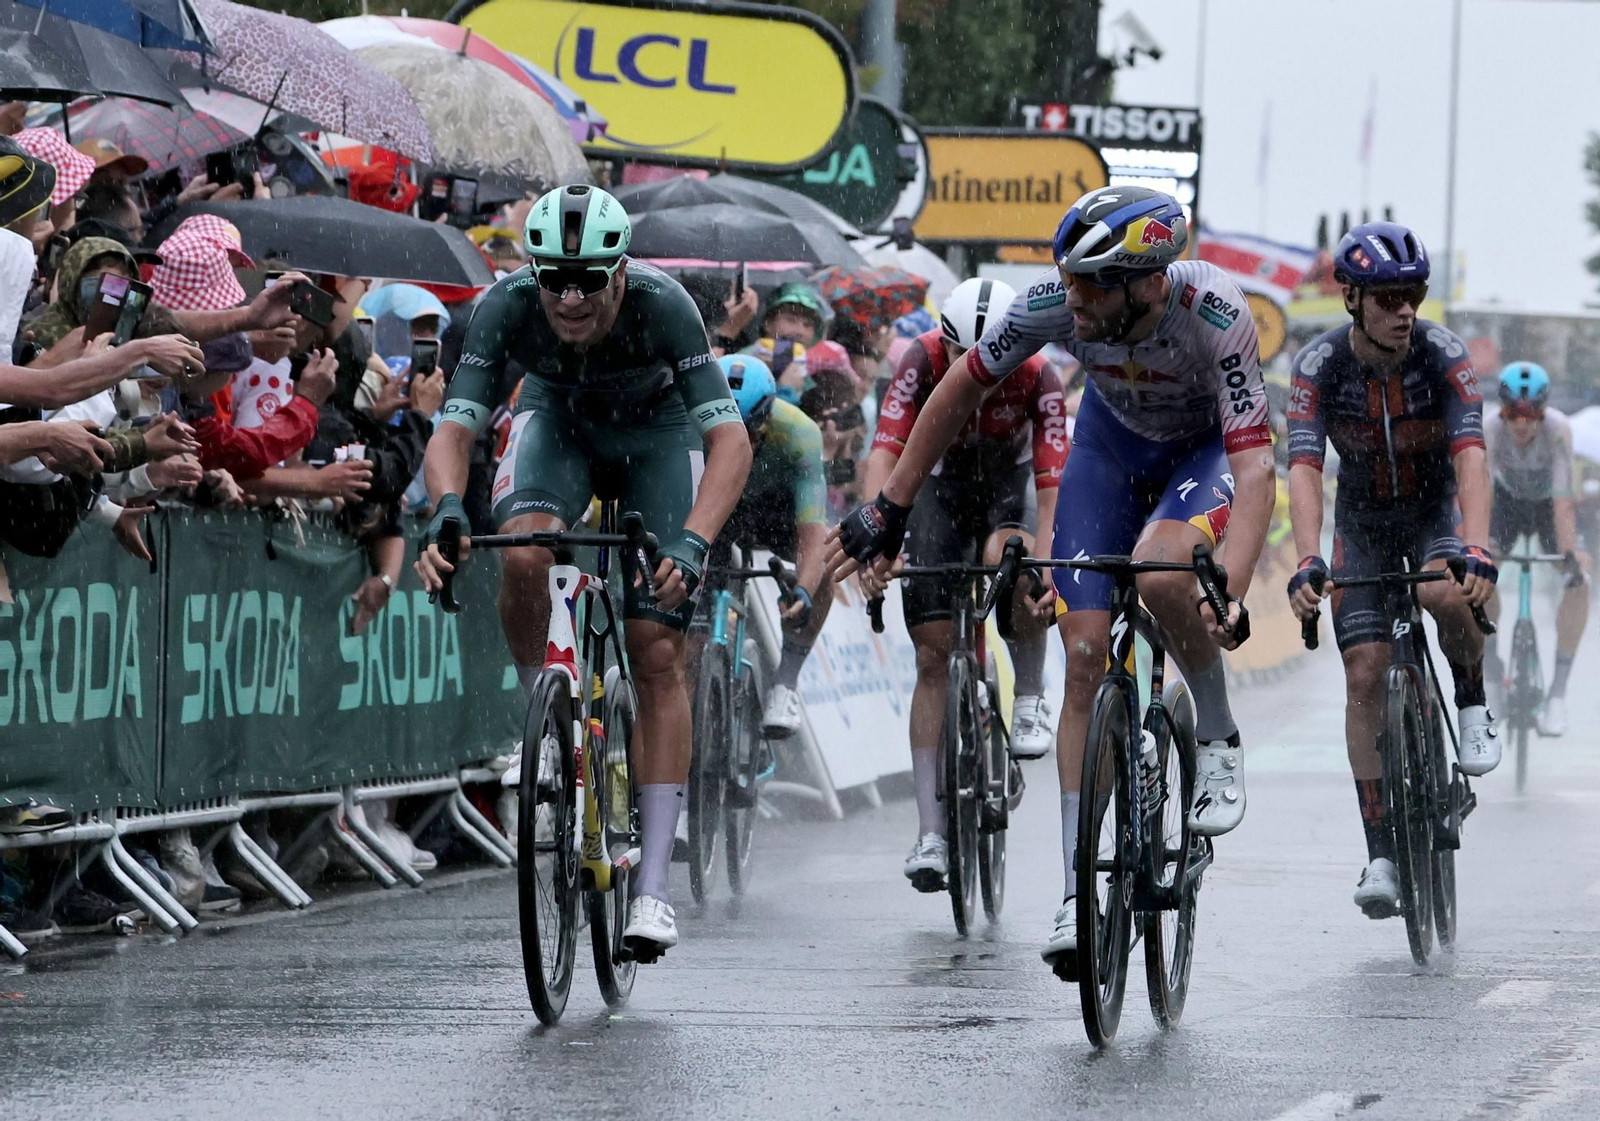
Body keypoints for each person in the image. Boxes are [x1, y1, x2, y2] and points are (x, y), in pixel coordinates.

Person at [828, 186, 1275, 968]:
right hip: (1110, 450)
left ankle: (1217, 729)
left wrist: (1229, 589)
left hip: (1200, 454)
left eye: (1089, 283)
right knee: (1081, 656)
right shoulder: (1055, 303)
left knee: (1163, 573)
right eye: (1065, 278)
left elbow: (1256, 464)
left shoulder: (1216, 311)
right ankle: (1077, 892)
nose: (1071, 295)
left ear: (1144, 282)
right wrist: (891, 507)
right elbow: (961, 383)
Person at [414, 185, 751, 957]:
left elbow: (730, 444)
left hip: (655, 437)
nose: (568, 297)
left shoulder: (667, 307)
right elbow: (453, 430)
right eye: (552, 278)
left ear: (621, 272)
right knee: (525, 547)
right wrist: (445, 510)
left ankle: (655, 889)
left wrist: (693, 542)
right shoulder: (505, 305)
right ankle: (546, 714)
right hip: (557, 421)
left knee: (656, 647)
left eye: (588, 280)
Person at [1284, 221, 1498, 921]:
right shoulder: (1319, 367)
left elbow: (1470, 454)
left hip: (1433, 510)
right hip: (1366, 525)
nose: (1406, 308)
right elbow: (1306, 468)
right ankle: (1379, 848)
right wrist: (1307, 557)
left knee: (1444, 587)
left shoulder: (1442, 354)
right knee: (1365, 671)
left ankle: (1469, 697)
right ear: (1352, 299)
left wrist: (1479, 544)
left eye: (1415, 293)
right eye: (1389, 296)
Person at [855, 276, 1067, 890]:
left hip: (1009, 487)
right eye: (957, 354)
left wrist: (1046, 567)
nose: (972, 371)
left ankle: (1028, 695)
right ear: (941, 342)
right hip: (938, 491)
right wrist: (880, 537)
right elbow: (885, 454)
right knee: (931, 655)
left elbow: (1053, 490)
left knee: (1018, 560)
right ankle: (929, 831)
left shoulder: (1039, 373)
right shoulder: (917, 359)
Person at [713, 354, 833, 736]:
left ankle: (786, 684)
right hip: (717, 504)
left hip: (774, 509)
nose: (737, 441)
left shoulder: (800, 433)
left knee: (825, 563)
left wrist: (805, 589)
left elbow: (813, 531)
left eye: (747, 429)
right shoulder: (688, 420)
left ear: (766, 418)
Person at [1483, 362, 1588, 736]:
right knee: (1477, 578)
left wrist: (1571, 554)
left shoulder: (1558, 429)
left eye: (1530, 414)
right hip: (1507, 506)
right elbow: (1484, 494)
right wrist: (1479, 549)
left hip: (1547, 507)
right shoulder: (1491, 429)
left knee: (1580, 582)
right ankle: (1493, 677)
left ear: (1543, 411)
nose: (1522, 423)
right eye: (1513, 412)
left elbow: (1562, 502)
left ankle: (1557, 695)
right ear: (1502, 410)